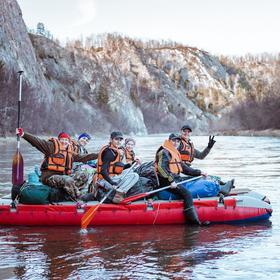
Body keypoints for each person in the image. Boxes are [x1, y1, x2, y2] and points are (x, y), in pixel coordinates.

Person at [16, 128, 98, 200]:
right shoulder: (51, 147)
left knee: (84, 175)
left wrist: (99, 155)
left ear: (69, 142)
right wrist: (23, 134)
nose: (64, 142)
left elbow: (84, 157)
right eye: (62, 139)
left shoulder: (69, 153)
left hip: (63, 177)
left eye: (66, 140)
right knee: (67, 180)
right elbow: (37, 141)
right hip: (49, 177)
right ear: (58, 140)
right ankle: (78, 197)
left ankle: (67, 193)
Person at [155, 133, 207, 225]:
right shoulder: (164, 152)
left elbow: (184, 168)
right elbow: (161, 168)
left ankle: (222, 188)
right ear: (169, 141)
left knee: (194, 179)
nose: (176, 143)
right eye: (174, 141)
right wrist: (171, 181)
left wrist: (199, 172)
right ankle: (194, 222)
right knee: (187, 194)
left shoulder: (174, 152)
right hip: (165, 181)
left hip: (175, 178)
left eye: (178, 141)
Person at [92, 131, 138, 203]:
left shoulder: (114, 151)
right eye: (116, 139)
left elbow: (117, 169)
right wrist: (112, 182)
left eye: (120, 140)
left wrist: (131, 164)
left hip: (111, 177)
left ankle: (119, 193)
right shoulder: (109, 152)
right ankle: (118, 196)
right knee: (135, 176)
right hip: (104, 180)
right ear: (111, 140)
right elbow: (103, 171)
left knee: (131, 172)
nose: (119, 141)